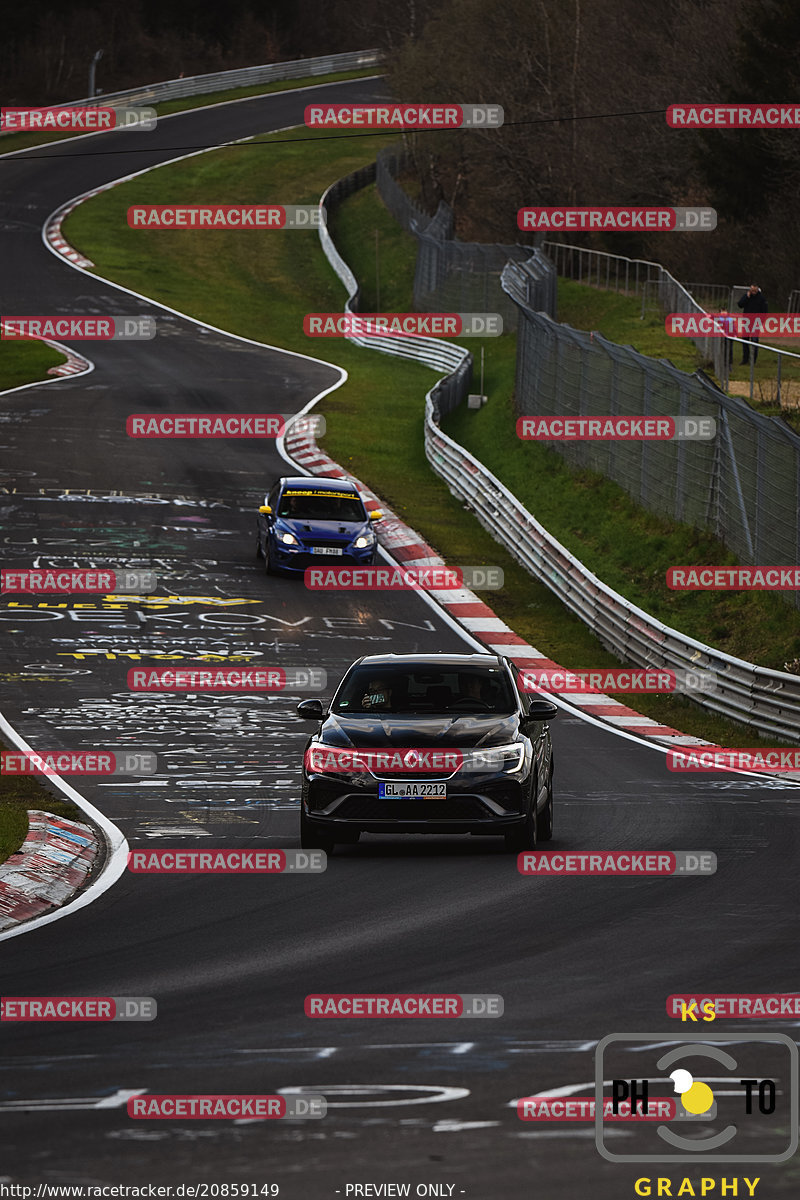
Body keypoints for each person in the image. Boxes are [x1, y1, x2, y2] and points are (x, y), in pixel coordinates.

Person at [737, 283, 768, 365]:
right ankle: (745, 359)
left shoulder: (762, 299)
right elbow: (740, 304)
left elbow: (764, 312)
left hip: (756, 322)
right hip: (747, 322)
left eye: (754, 290)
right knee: (745, 340)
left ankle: (753, 360)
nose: (753, 292)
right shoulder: (747, 297)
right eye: (752, 290)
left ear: (757, 290)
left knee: (754, 341)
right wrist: (746, 297)